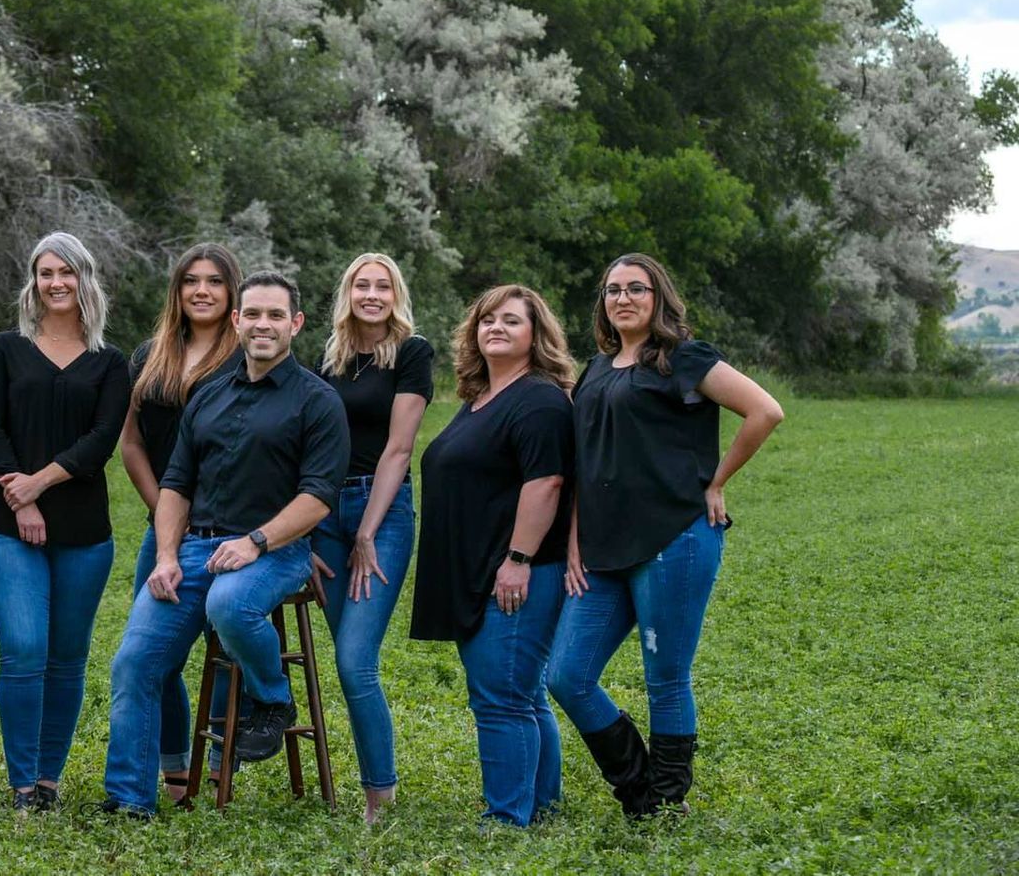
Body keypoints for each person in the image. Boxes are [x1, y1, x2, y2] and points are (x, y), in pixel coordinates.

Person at [100, 271, 350, 819]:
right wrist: (165, 556)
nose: (263, 325)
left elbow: (319, 497)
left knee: (229, 603)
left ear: (296, 324)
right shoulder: (209, 396)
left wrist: (257, 542)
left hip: (276, 551)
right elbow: (176, 485)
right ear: (237, 322)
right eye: (253, 314)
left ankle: (272, 697)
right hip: (193, 550)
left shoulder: (318, 401)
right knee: (134, 663)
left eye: (275, 316)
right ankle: (128, 799)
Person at [546, 254, 784, 817]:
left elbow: (765, 411)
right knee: (566, 675)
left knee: (666, 677)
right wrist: (575, 540)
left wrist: (716, 482)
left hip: (673, 539)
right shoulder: (598, 367)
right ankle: (637, 784)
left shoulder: (684, 358)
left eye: (636, 289)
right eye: (612, 291)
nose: (623, 298)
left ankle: (664, 802)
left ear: (658, 297)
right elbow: (583, 460)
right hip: (602, 550)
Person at [410, 284, 575, 828]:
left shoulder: (539, 399)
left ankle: (507, 817)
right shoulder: (482, 398)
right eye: (487, 320)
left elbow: (547, 482)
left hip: (514, 571)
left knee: (501, 698)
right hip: (477, 568)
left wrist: (519, 559)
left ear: (536, 335)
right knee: (522, 694)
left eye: (511, 321)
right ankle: (542, 803)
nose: (496, 328)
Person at [0, 231, 130, 811]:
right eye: (45, 273)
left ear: (84, 278)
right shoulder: (5, 350)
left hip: (85, 535)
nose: (56, 282)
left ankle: (48, 781)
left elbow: (100, 442)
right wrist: (23, 498)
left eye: (66, 272)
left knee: (66, 658)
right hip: (10, 528)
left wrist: (40, 483)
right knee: (21, 648)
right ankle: (20, 785)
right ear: (33, 282)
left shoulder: (110, 363)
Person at [118, 241, 242, 803]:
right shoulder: (151, 354)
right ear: (177, 290)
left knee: (226, 649)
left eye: (214, 281)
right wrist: (161, 507)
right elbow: (132, 443)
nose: (202, 290)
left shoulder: (248, 355)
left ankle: (220, 763)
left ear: (231, 291)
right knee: (151, 653)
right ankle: (172, 767)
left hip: (231, 529)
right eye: (191, 280)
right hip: (165, 528)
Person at [314, 252, 434, 821]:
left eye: (382, 285)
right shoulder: (328, 357)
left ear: (395, 293)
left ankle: (378, 798)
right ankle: (374, 789)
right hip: (323, 514)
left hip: (379, 510)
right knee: (345, 655)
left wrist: (366, 529)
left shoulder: (411, 354)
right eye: (362, 284)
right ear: (348, 292)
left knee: (355, 660)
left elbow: (400, 448)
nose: (371, 293)